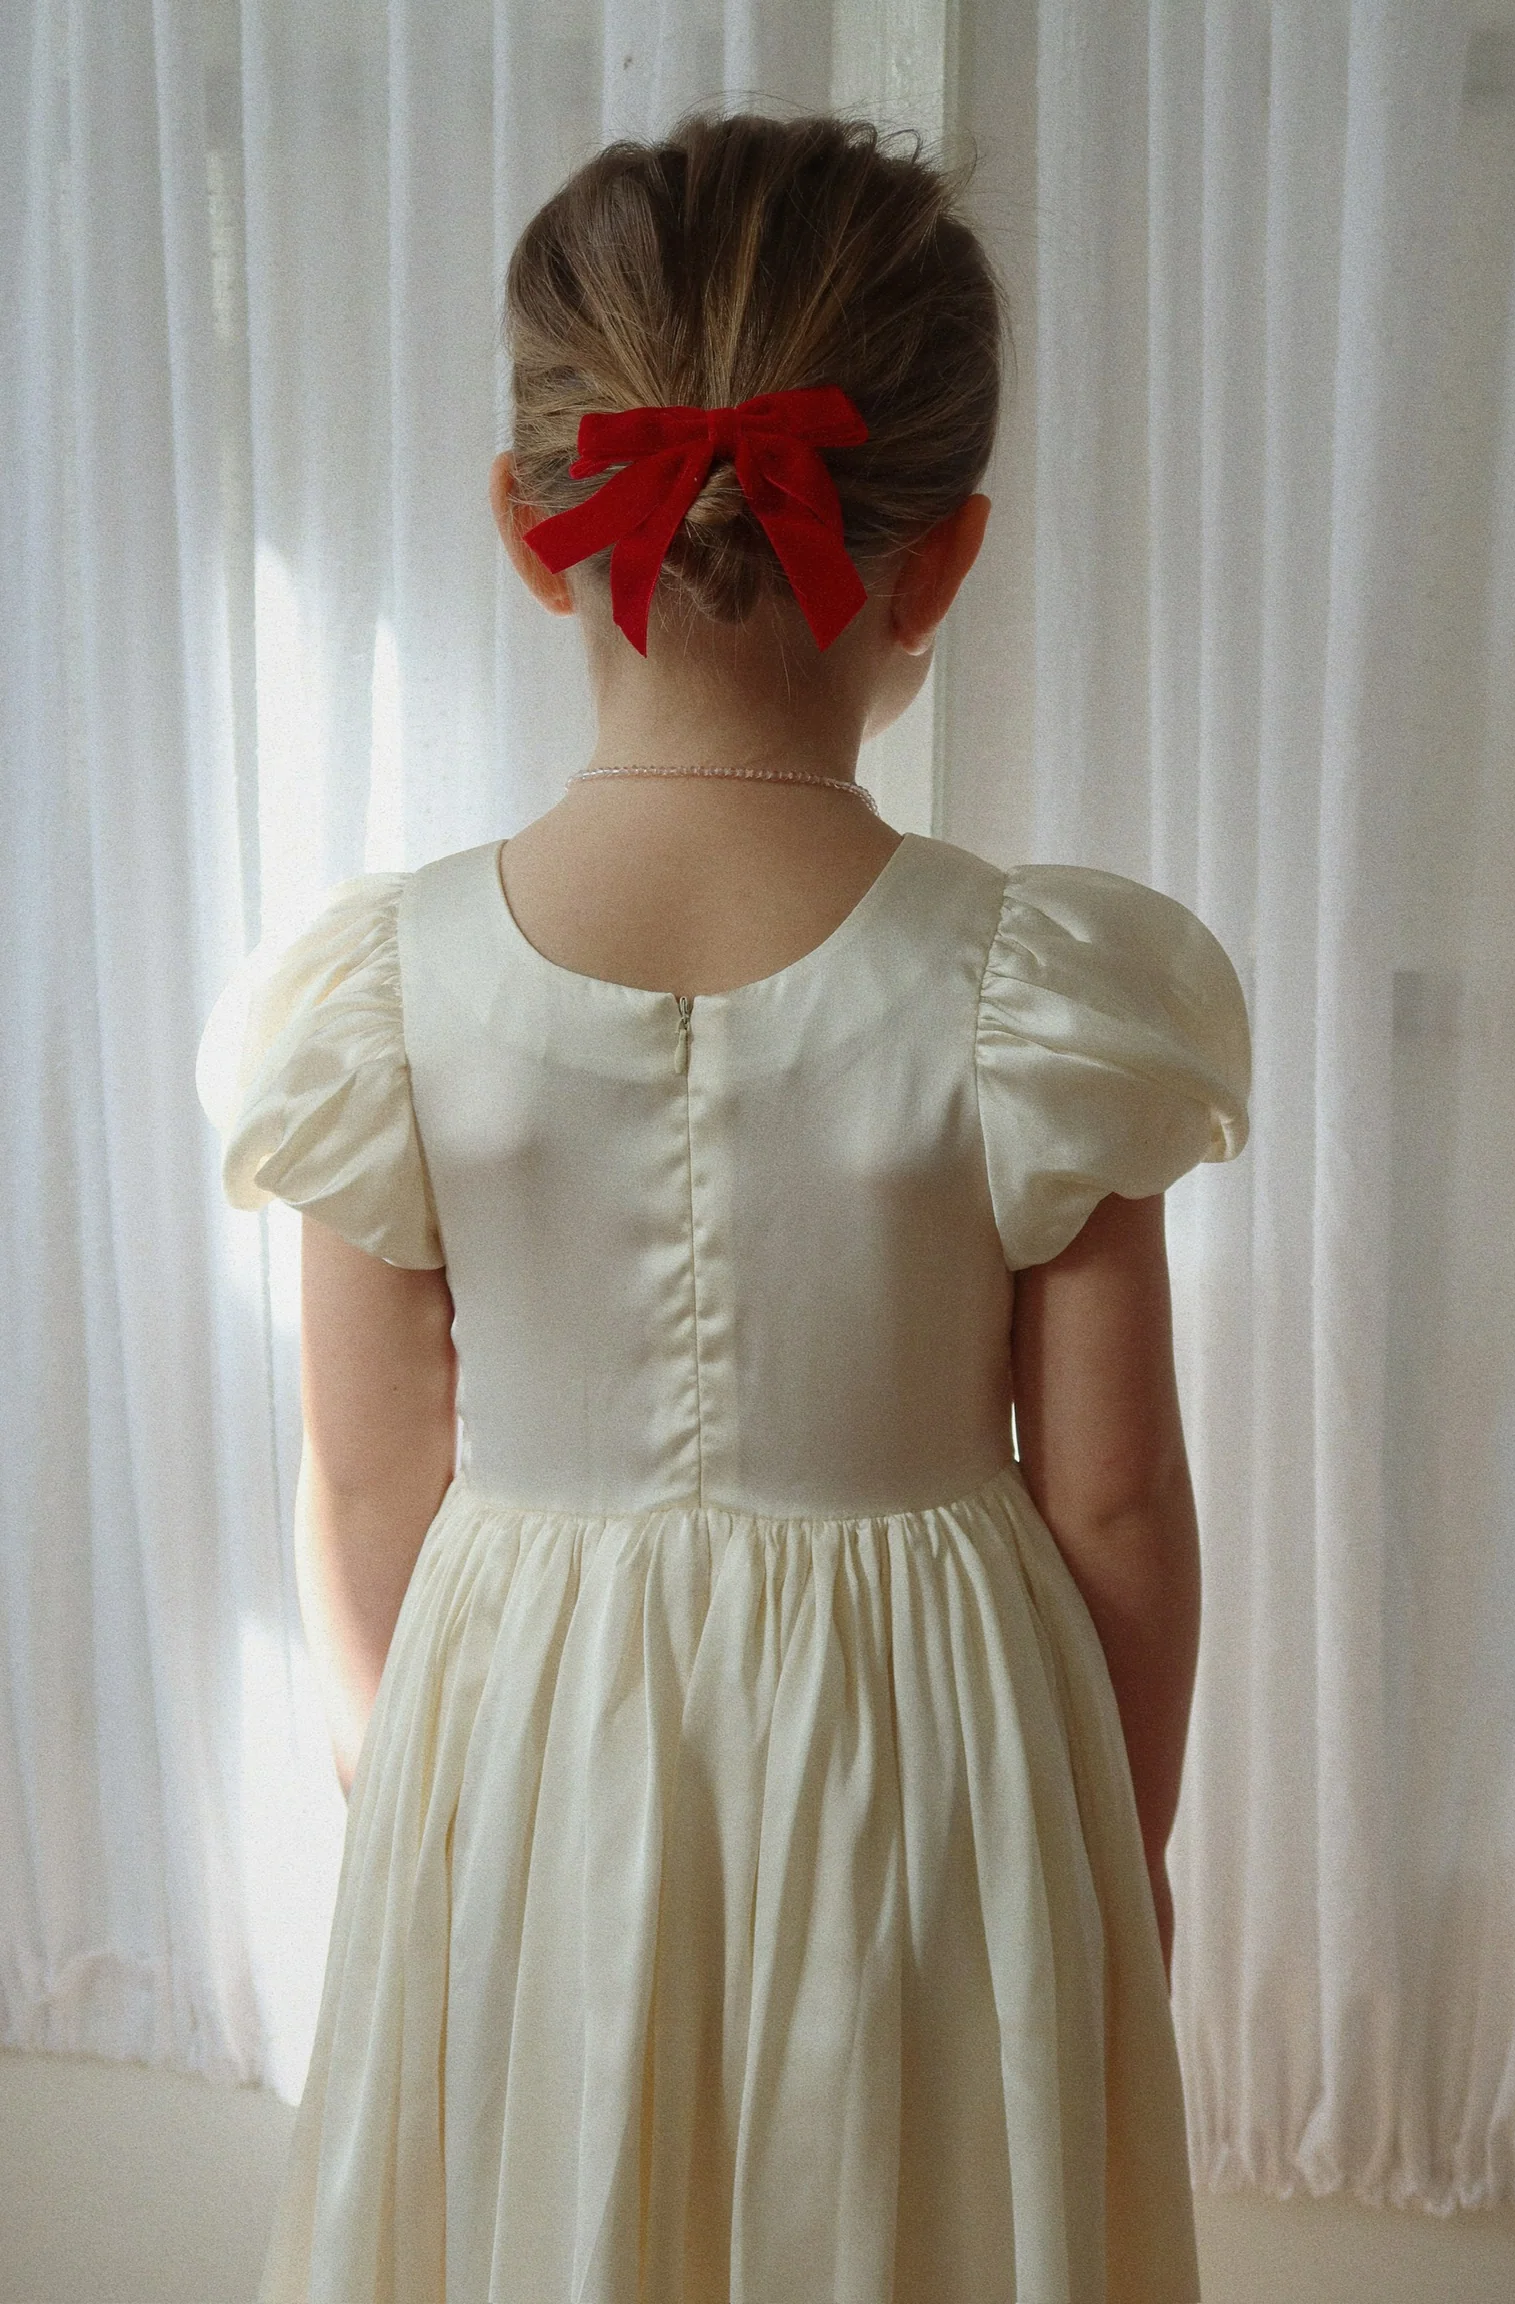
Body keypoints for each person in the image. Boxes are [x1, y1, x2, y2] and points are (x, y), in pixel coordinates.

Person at [198, 109, 1249, 2304]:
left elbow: (369, 1491)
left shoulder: (381, 995)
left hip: (528, 1745)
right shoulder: (1036, 991)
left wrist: (435, 1819)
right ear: (943, 560)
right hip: (936, 1767)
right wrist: (1115, 1850)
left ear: (533, 529)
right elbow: (1118, 1505)